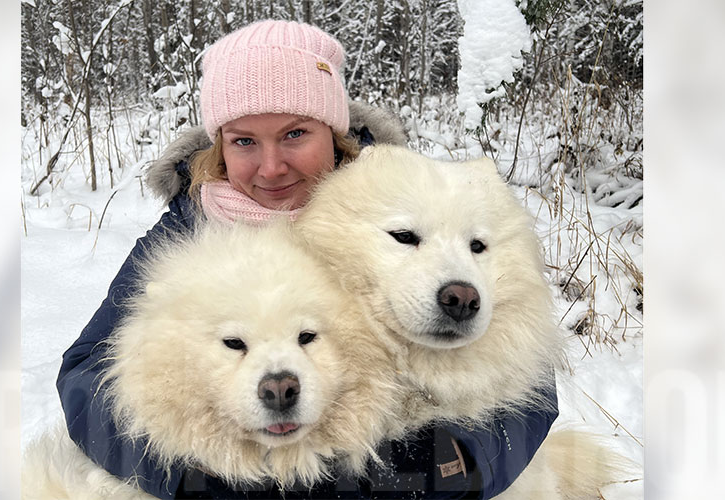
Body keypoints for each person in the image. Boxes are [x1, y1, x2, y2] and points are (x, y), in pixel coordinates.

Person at [56, 19, 558, 499]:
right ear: (220, 147)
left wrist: (454, 464)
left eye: (295, 134)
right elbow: (83, 375)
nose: (272, 168)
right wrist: (188, 476)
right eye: (245, 141)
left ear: (334, 133)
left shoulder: (406, 206)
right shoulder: (189, 226)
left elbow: (523, 379)